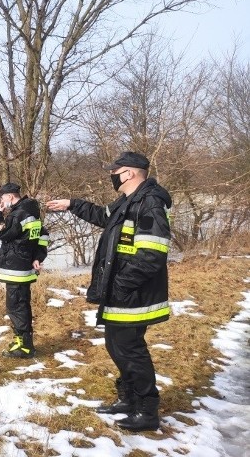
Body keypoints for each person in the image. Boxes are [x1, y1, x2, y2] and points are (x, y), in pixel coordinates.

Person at [46, 151, 171, 432]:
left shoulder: (149, 204)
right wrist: (72, 204)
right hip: (120, 295)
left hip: (133, 297)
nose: (112, 176)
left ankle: (147, 411)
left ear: (129, 173)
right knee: (117, 348)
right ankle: (128, 399)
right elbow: (103, 216)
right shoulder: (127, 201)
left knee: (131, 351)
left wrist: (119, 285)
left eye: (115, 171)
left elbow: (152, 255)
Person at [0, 182, 48, 358]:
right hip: (24, 266)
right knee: (21, 305)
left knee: (15, 307)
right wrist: (38, 256)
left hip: (16, 268)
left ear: (10, 197)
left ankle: (25, 347)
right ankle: (24, 342)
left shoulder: (18, 214)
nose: (1, 200)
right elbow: (43, 235)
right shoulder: (32, 211)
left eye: (2, 197)